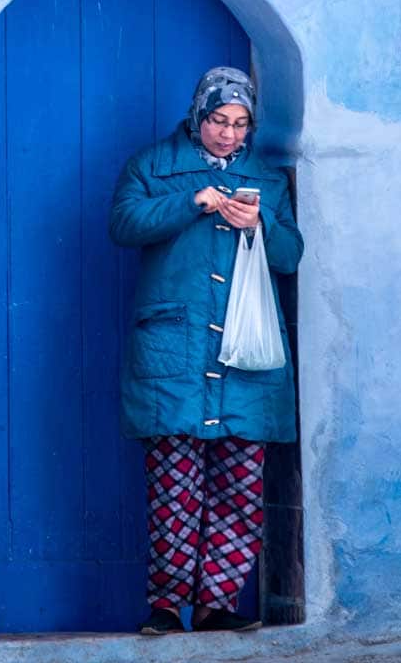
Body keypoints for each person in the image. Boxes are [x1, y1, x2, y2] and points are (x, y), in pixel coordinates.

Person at [109, 65, 303, 636]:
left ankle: (218, 603)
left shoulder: (266, 180)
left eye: (241, 123)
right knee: (174, 486)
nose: (229, 134)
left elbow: (290, 256)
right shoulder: (153, 166)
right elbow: (123, 223)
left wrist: (260, 223)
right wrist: (193, 202)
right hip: (176, 349)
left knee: (240, 483)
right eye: (219, 120)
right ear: (198, 114)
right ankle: (167, 606)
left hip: (243, 354)